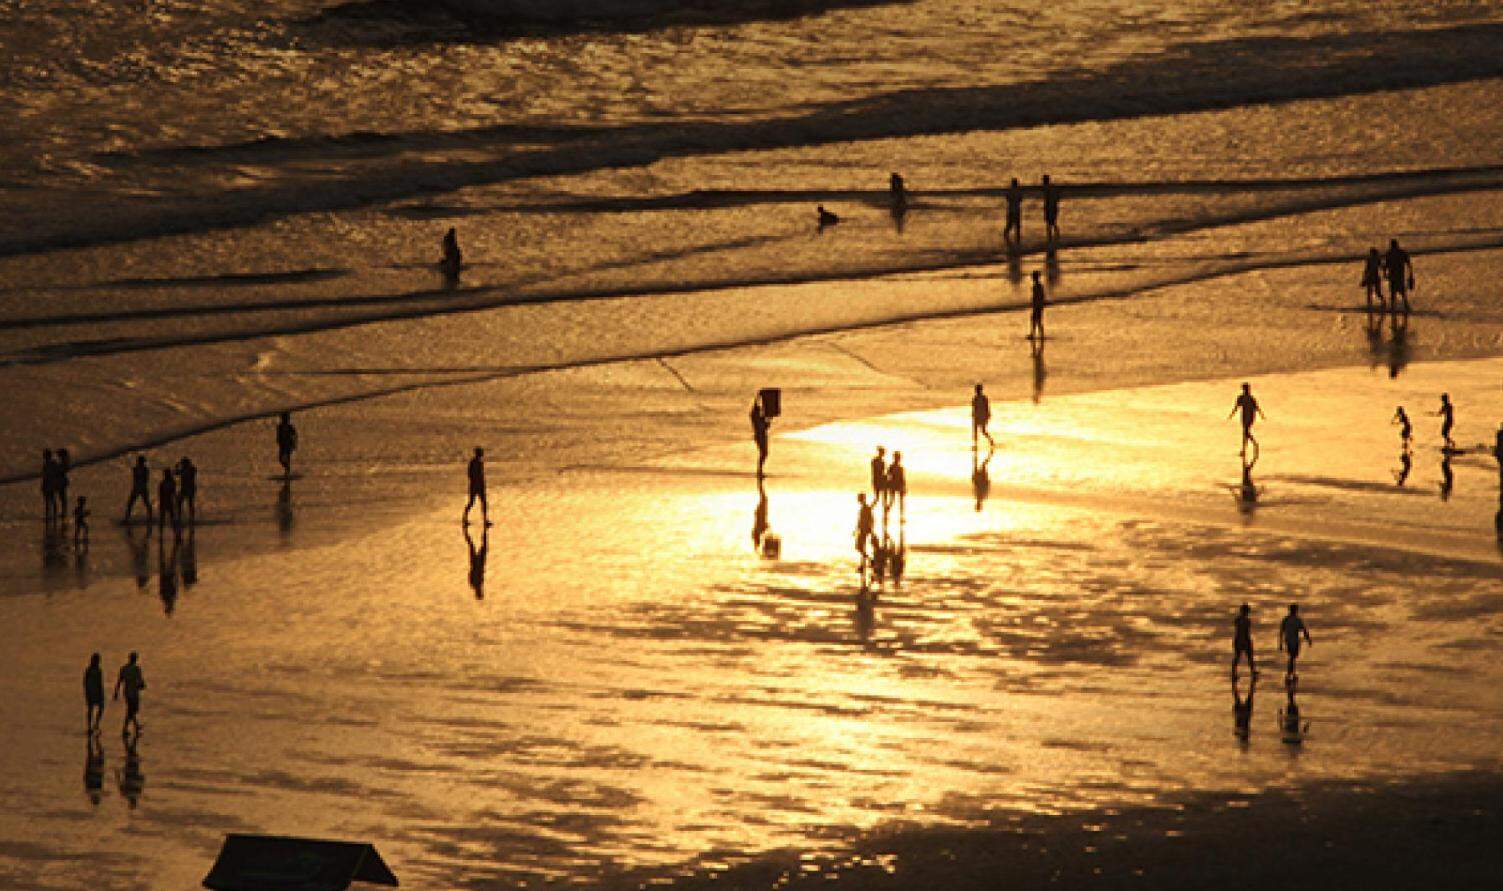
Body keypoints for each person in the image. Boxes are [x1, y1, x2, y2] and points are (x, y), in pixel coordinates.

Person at [113, 651, 146, 737]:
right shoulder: (136, 669)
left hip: (127, 692)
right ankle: (125, 729)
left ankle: (136, 726)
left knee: (131, 710)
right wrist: (142, 685)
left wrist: (116, 692)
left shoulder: (124, 668)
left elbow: (119, 681)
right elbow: (140, 681)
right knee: (132, 710)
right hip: (134, 692)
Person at [1228, 383, 1265, 456]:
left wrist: (1261, 415)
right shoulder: (1242, 398)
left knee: (1245, 432)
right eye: (1246, 389)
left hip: (1249, 416)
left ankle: (1252, 445)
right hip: (1245, 416)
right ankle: (1246, 448)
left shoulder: (1250, 398)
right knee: (1245, 433)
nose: (1247, 390)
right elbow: (1237, 407)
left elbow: (1256, 407)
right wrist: (1232, 414)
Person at [1278, 603, 1312, 680]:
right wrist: (1308, 639)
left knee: (1292, 657)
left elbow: (1281, 632)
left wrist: (1280, 643)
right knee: (1292, 657)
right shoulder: (1297, 620)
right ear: (1296, 610)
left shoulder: (1286, 619)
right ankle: (1290, 673)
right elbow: (1304, 631)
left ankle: (1291, 673)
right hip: (1294, 641)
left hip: (1289, 640)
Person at [1384, 238, 1414, 313]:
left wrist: (1385, 273)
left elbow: (1386, 265)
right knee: (1401, 291)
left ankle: (1394, 307)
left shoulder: (1389, 253)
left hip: (1393, 275)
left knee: (1393, 291)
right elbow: (1409, 264)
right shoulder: (1402, 253)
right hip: (1399, 275)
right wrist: (1411, 274)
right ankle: (1405, 306)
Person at [463, 447, 489, 526]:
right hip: (475, 485)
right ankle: (465, 518)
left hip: (478, 485)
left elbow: (479, 475)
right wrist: (477, 482)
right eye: (481, 453)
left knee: (483, 502)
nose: (482, 454)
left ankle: (485, 520)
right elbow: (471, 474)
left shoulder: (479, 462)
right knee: (472, 502)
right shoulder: (474, 462)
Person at [1232, 603, 1257, 678]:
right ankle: (1252, 672)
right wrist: (1248, 641)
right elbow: (1246, 632)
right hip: (1244, 640)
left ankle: (1234, 672)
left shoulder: (1237, 620)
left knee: (1237, 656)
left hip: (1238, 639)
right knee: (1249, 657)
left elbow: (1237, 630)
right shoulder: (1247, 621)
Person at [125, 456, 152, 523]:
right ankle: (127, 518)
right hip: (137, 488)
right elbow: (137, 479)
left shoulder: (145, 470)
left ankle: (150, 517)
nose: (141, 463)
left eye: (141, 462)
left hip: (142, 488)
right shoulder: (136, 469)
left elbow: (146, 480)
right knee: (130, 503)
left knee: (146, 502)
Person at [84, 653, 105, 733]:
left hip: (94, 692)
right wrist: (87, 692)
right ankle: (91, 726)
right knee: (92, 709)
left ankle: (95, 724)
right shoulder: (90, 670)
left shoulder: (97, 670)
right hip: (92, 692)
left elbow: (100, 682)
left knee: (98, 708)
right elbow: (85, 681)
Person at [750, 398, 771, 478]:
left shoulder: (759, 417)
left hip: (762, 435)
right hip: (760, 436)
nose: (761, 410)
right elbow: (764, 426)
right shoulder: (755, 418)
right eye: (759, 410)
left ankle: (760, 470)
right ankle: (759, 471)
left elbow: (766, 426)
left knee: (764, 453)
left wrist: (768, 420)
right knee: (764, 453)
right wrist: (758, 397)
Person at [1361, 247, 1385, 311]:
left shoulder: (1375, 259)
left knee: (1375, 292)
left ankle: (1371, 305)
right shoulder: (1374, 259)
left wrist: (1364, 277)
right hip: (1373, 277)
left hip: (1373, 277)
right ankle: (1370, 305)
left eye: (1371, 253)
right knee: (1372, 292)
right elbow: (1367, 269)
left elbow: (1367, 269)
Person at [156, 469, 179, 536]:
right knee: (167, 517)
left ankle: (162, 533)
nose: (166, 475)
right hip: (166, 502)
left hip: (167, 502)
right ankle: (173, 532)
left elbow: (173, 493)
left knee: (167, 517)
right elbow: (173, 493)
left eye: (167, 474)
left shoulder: (165, 483)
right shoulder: (168, 483)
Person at [971, 383, 994, 449]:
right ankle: (975, 445)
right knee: (975, 431)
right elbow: (974, 408)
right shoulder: (975, 398)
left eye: (977, 390)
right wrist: (973, 415)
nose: (976, 391)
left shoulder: (983, 398)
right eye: (976, 390)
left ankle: (991, 441)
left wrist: (988, 415)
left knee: (983, 431)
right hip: (977, 416)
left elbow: (987, 407)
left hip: (982, 416)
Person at [176, 457, 197, 526]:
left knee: (190, 503)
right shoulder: (183, 469)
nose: (182, 465)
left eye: (183, 463)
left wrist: (179, 468)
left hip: (190, 488)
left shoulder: (191, 469)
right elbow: (175, 473)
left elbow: (192, 471)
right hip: (184, 488)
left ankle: (191, 518)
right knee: (179, 502)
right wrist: (177, 467)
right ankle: (179, 517)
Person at [854, 494, 875, 563]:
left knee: (859, 547)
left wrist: (869, 528)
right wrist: (856, 529)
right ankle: (865, 562)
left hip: (864, 530)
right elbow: (860, 521)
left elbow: (870, 519)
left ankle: (869, 560)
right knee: (861, 547)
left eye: (859, 499)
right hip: (863, 529)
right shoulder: (864, 508)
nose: (858, 500)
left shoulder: (865, 508)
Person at [276, 412, 298, 476]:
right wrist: (278, 440)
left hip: (288, 444)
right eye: (283, 418)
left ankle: (287, 471)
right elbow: (278, 435)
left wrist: (294, 443)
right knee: (281, 459)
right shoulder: (280, 427)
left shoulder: (289, 426)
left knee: (287, 458)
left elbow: (295, 434)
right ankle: (287, 468)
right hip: (282, 444)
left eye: (286, 419)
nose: (284, 420)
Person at [886, 451, 907, 519]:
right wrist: (888, 484)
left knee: (901, 501)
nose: (898, 459)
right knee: (892, 500)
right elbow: (888, 476)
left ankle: (901, 516)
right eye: (897, 458)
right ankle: (887, 512)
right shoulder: (892, 467)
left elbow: (903, 478)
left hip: (899, 485)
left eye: (898, 458)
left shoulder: (900, 468)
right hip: (893, 485)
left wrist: (904, 487)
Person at [1003, 177, 1023, 244]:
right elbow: (1021, 199)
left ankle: (1006, 237)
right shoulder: (1019, 191)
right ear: (1016, 183)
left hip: (1011, 210)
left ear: (1012, 183)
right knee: (1017, 227)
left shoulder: (1009, 190)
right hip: (1016, 210)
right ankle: (1017, 241)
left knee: (1009, 225)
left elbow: (1007, 199)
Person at [1028, 270, 1047, 341]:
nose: (1032, 278)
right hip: (1039, 305)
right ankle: (1039, 334)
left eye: (1033, 277)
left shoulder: (1036, 286)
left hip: (1037, 306)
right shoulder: (1039, 286)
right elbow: (1042, 296)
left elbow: (1036, 297)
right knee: (1037, 320)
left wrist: (1035, 304)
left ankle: (1035, 334)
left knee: (1035, 320)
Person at [41, 449, 58, 523]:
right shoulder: (52, 464)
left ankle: (50, 515)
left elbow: (45, 476)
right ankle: (51, 515)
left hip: (49, 484)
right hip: (49, 484)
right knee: (50, 501)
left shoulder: (48, 465)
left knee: (50, 500)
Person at [1041, 174, 1060, 242]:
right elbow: (1057, 197)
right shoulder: (1052, 187)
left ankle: (1050, 237)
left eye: (1043, 181)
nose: (1042, 182)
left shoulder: (1047, 188)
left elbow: (1047, 199)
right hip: (1053, 207)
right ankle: (1054, 236)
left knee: (1049, 223)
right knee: (1052, 222)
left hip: (1050, 207)